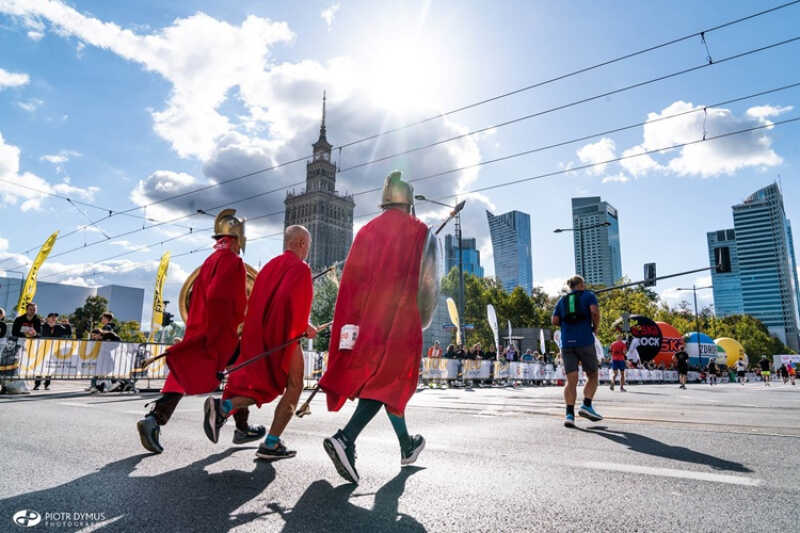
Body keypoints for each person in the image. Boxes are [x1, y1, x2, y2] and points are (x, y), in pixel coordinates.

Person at [319, 171, 434, 484]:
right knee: (387, 381)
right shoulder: (418, 230)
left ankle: (407, 445)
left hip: (366, 321)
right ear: (408, 202)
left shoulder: (366, 230)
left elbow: (352, 282)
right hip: (400, 321)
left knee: (385, 381)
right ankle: (345, 438)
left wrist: (350, 325)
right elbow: (426, 283)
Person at [136, 209, 259, 453]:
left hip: (201, 328)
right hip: (221, 333)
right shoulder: (233, 262)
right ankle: (240, 426)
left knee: (185, 371)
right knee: (242, 371)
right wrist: (243, 319)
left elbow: (197, 297)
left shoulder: (209, 261)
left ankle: (155, 419)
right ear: (237, 239)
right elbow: (225, 299)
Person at [203, 225, 317, 460]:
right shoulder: (301, 267)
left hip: (258, 335)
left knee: (265, 386)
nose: (308, 250)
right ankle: (271, 443)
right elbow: (290, 302)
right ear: (301, 243)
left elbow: (260, 301)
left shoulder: (269, 267)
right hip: (284, 337)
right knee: (295, 386)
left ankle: (224, 408)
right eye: (308, 245)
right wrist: (304, 327)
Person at [551, 275, 602, 427]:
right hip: (584, 341)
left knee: (571, 380)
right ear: (581, 284)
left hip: (567, 343)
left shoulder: (562, 300)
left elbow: (554, 320)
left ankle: (569, 415)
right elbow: (594, 312)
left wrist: (567, 324)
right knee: (592, 375)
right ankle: (586, 404)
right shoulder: (589, 295)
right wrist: (595, 327)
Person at [34, 313, 71, 390]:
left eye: (55, 317)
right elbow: (36, 334)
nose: (54, 318)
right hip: (42, 349)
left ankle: (47, 384)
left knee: (49, 367)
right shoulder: (42, 326)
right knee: (40, 367)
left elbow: (68, 333)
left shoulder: (59, 327)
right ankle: (37, 384)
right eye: (52, 317)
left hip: (53, 350)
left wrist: (67, 325)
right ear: (48, 318)